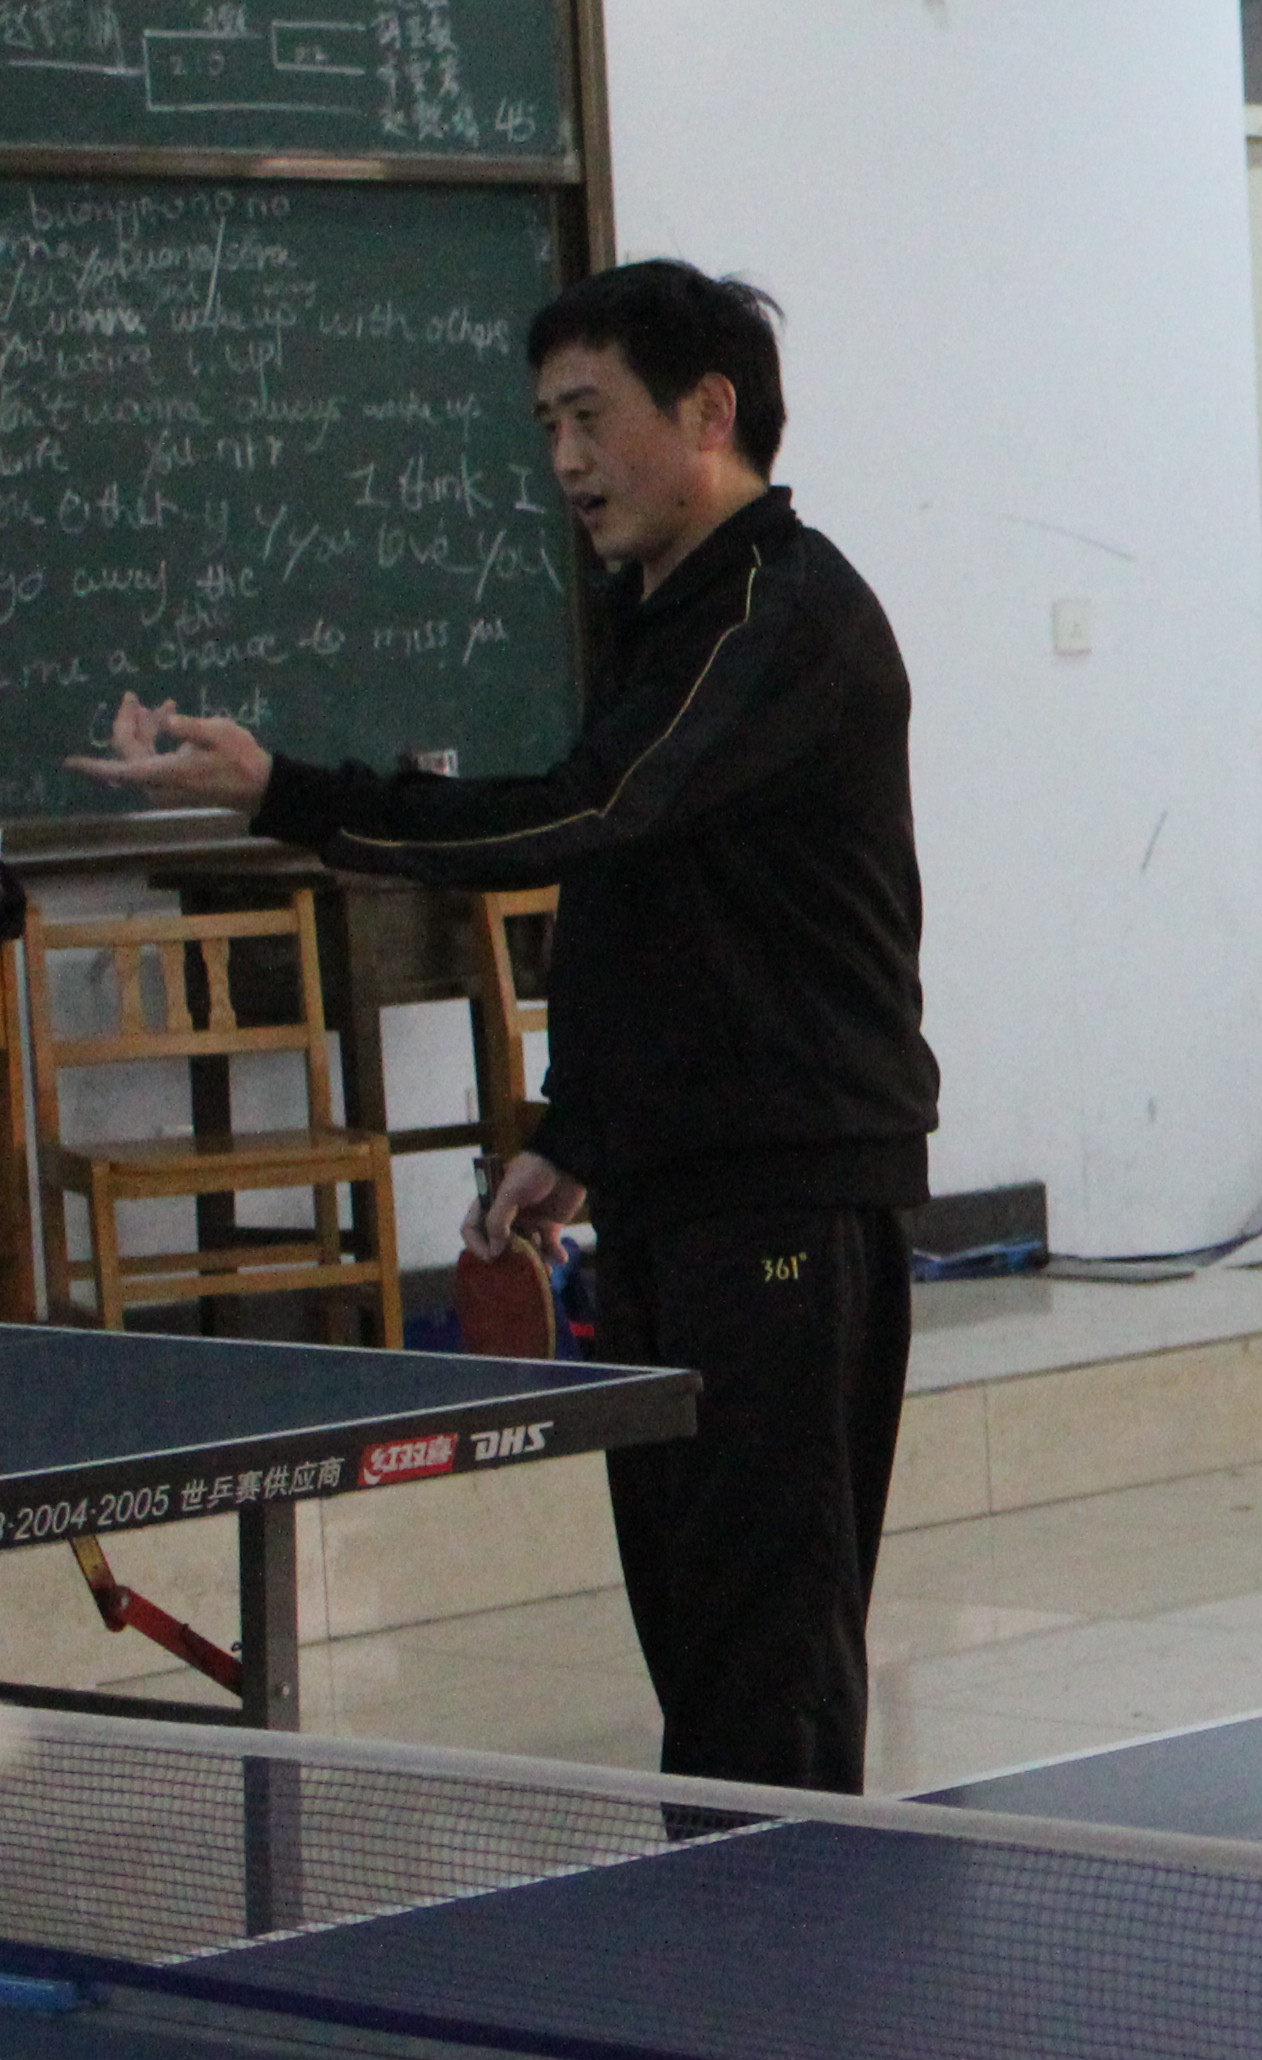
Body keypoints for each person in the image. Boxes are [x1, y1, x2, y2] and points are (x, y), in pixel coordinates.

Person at [79, 261, 939, 1793]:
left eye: (589, 418)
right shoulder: (663, 617)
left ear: (709, 412)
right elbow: (646, 906)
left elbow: (589, 816)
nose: (565, 461)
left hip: (786, 1197)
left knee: (767, 1651)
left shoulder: (782, 613)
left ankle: (792, 1926)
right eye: (546, 426)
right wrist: (573, 1130)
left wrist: (289, 795)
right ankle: (725, 1913)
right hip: (674, 1193)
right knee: (696, 1638)